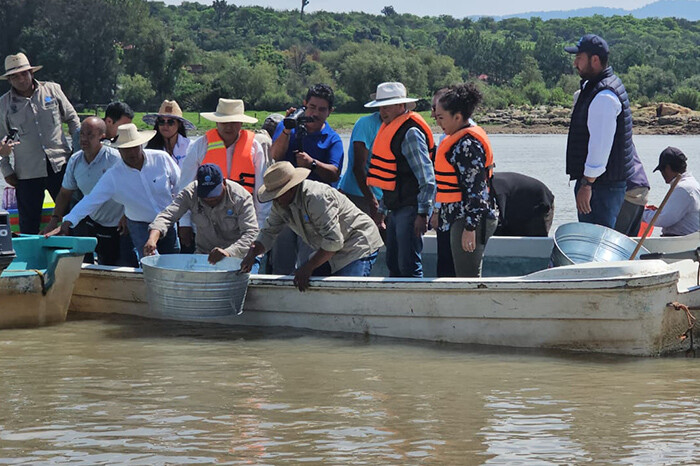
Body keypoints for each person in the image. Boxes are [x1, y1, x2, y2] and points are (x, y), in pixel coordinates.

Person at [240, 162, 383, 291]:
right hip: (331, 251)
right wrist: (253, 252)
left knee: (348, 292)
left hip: (357, 245)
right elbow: (269, 232)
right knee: (299, 284)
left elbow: (333, 241)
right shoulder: (280, 204)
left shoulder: (317, 198)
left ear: (290, 189)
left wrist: (308, 267)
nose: (275, 200)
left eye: (277, 195)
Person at [47, 124, 181, 259]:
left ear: (141, 145)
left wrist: (181, 216)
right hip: (140, 225)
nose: (132, 153)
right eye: (126, 149)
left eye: (135, 147)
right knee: (149, 263)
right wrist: (67, 222)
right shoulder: (113, 176)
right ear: (119, 150)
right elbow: (90, 200)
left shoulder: (161, 158)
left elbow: (180, 185)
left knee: (174, 261)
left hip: (168, 222)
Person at [0, 53, 80, 234]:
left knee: (71, 217)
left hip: (60, 166)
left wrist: (78, 152)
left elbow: (73, 119)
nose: (20, 79)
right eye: (14, 76)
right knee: (28, 223)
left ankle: (74, 258)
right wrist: (6, 170)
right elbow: (0, 141)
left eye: (23, 74)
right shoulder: (4, 104)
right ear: (9, 80)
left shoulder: (52, 90)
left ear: (31, 73)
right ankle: (32, 261)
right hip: (27, 172)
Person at [269, 84, 344, 274]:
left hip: (315, 210)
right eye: (312, 107)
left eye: (322, 109)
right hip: (285, 204)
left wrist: (312, 164)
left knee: (308, 262)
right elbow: (276, 155)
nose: (316, 113)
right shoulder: (287, 127)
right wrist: (287, 129)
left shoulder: (333, 139)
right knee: (281, 263)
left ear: (330, 112)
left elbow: (334, 173)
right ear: (304, 105)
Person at [366, 82, 436, 278]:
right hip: (395, 207)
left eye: (387, 106)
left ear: (400, 106)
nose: (382, 111)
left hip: (411, 207)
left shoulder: (411, 132)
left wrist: (422, 214)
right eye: (380, 107)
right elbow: (390, 178)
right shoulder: (390, 129)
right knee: (393, 263)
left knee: (409, 266)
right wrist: (381, 210)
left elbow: (427, 178)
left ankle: (415, 307)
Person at [564, 34, 635, 229]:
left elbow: (600, 146)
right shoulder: (598, 87)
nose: (575, 63)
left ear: (594, 60)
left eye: (579, 57)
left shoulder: (603, 96)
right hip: (603, 184)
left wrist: (587, 184)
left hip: (601, 187)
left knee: (596, 240)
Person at [178, 98, 270, 242]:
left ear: (241, 123)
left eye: (234, 122)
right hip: (206, 226)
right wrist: (184, 223)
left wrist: (259, 228)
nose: (229, 127)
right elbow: (185, 187)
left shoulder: (255, 148)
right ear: (216, 122)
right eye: (224, 122)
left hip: (242, 226)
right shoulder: (199, 146)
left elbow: (261, 193)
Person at [433, 82, 499, 277]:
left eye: (441, 117)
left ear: (458, 117)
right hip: (452, 217)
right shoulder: (455, 140)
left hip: (466, 220)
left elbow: (477, 191)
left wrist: (470, 227)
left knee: (467, 276)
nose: (438, 122)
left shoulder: (467, 145)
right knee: (449, 274)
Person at [41, 117, 124, 265]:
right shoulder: (75, 160)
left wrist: (127, 216)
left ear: (102, 136)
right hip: (92, 219)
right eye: (82, 134)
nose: (84, 139)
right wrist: (54, 220)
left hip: (117, 223)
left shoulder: (114, 159)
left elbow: (130, 189)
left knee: (113, 263)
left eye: (90, 135)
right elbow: (65, 193)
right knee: (85, 262)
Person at [146, 164, 259, 266]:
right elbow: (168, 215)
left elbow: (251, 233)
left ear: (224, 182)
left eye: (214, 193)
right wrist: (153, 238)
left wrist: (229, 252)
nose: (210, 199)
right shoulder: (190, 193)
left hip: (239, 258)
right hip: (204, 257)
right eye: (206, 195)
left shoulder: (241, 198)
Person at [641, 147, 700, 237]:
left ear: (668, 168)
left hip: (679, 241)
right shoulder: (692, 184)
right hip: (685, 240)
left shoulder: (683, 188)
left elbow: (664, 219)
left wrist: (641, 213)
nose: (662, 174)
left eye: (661, 170)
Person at [337, 108, 383, 216]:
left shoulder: (400, 125)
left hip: (386, 198)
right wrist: (372, 202)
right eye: (383, 107)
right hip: (359, 196)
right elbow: (358, 168)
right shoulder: (366, 124)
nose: (385, 111)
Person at [429, 88, 455, 278]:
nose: (434, 116)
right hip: (446, 209)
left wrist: (436, 212)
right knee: (444, 260)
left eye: (438, 112)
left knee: (453, 261)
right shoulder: (444, 137)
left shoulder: (463, 139)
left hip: (456, 212)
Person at [491, 172, 555, 237]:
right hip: (518, 206)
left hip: (538, 203)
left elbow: (499, 219)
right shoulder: (487, 185)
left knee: (535, 242)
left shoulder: (496, 188)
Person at [143, 100, 195, 167]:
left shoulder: (191, 147)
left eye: (170, 122)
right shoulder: (150, 150)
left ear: (179, 124)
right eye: (161, 121)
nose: (165, 126)